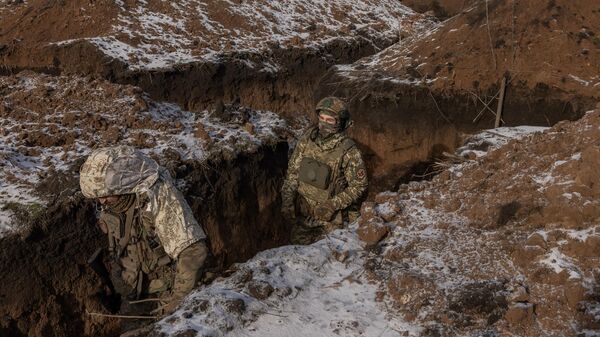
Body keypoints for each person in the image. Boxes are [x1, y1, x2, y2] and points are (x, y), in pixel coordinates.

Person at [79, 146, 208, 313]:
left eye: (105, 196)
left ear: (125, 185)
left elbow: (194, 251)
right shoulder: (110, 202)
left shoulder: (156, 197)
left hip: (167, 292)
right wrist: (116, 287)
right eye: (98, 197)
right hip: (131, 294)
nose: (101, 202)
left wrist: (175, 303)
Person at [281, 97, 368, 244]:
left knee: (324, 261)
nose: (324, 123)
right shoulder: (307, 139)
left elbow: (359, 186)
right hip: (303, 217)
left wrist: (332, 204)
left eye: (330, 120)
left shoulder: (348, 151)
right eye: (321, 118)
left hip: (332, 222)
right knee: (296, 258)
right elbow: (293, 172)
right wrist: (287, 200)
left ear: (340, 122)